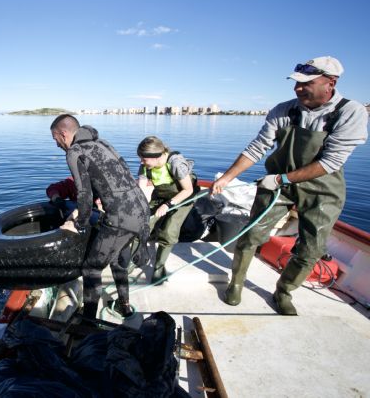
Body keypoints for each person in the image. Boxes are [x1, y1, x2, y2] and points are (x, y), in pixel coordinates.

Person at [211, 56, 368, 315]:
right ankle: (236, 283)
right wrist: (227, 177)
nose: (298, 88)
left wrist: (282, 178)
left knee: (311, 249)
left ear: (331, 82)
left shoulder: (351, 112)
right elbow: (257, 147)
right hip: (278, 185)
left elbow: (330, 161)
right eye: (296, 83)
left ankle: (283, 291)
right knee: (250, 235)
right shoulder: (284, 110)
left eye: (307, 83)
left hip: (322, 188)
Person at [50, 114, 149, 318]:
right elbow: (124, 174)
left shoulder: (74, 152)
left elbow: (84, 193)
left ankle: (88, 321)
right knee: (117, 262)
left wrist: (80, 222)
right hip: (142, 211)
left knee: (91, 269)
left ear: (63, 133)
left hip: (121, 218)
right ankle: (125, 307)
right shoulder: (103, 143)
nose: (57, 144)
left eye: (55, 139)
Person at [136, 136, 198, 283]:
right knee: (141, 224)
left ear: (157, 157)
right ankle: (135, 259)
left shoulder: (176, 164)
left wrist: (168, 205)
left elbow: (188, 190)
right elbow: (142, 190)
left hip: (183, 197)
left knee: (168, 231)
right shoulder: (145, 166)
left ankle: (159, 267)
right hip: (161, 195)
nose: (141, 162)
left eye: (144, 159)